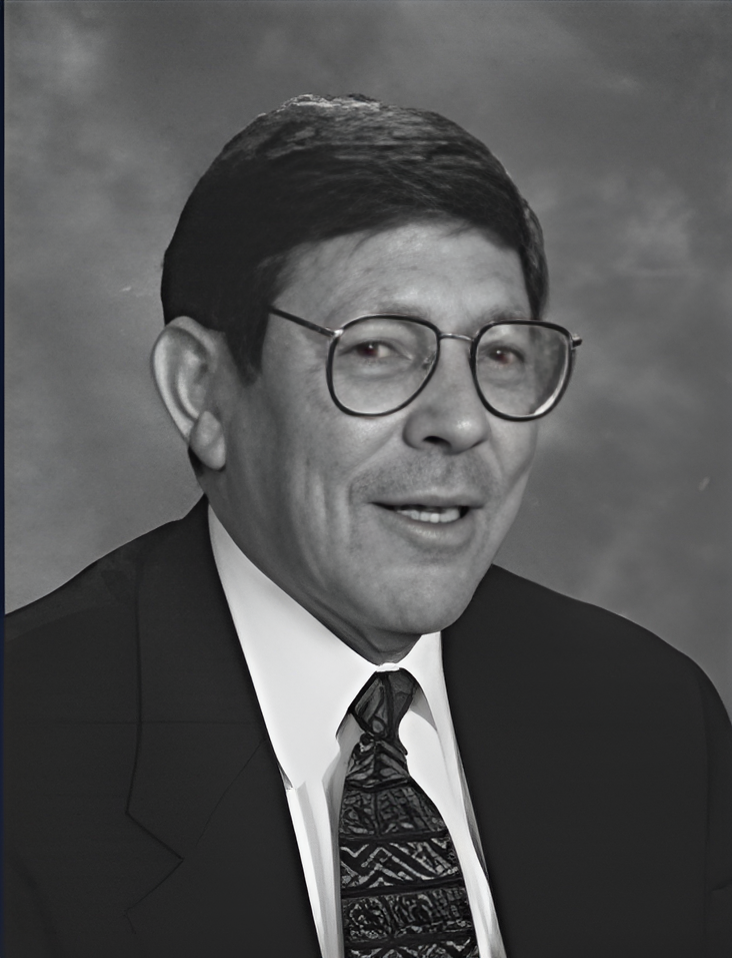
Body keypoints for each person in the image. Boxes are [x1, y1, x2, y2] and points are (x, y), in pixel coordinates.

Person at [5, 93, 731, 958]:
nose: (460, 423)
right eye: (378, 349)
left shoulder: (648, 718)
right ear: (202, 391)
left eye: (499, 353)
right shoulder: (26, 757)